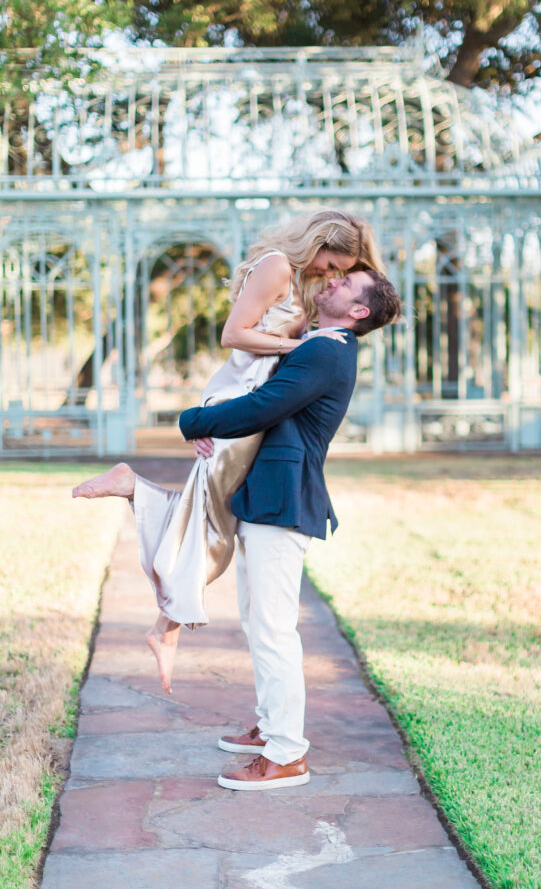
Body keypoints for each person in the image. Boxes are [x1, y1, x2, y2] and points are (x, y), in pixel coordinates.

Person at [72, 210, 385, 693]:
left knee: (212, 516)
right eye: (331, 265)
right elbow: (233, 336)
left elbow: (337, 317)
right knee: (213, 527)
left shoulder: (298, 280)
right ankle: (165, 624)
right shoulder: (279, 265)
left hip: (249, 397)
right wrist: (298, 349)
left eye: (340, 274)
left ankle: (163, 615)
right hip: (243, 394)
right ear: (318, 243)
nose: (330, 276)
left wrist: (306, 343)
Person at [179, 268, 402, 790]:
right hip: (267, 495)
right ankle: (270, 726)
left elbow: (264, 407)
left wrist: (194, 421)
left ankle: (286, 754)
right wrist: (215, 421)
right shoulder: (310, 342)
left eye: (347, 282)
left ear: (359, 311)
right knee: (260, 623)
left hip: (285, 499)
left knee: (275, 628)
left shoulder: (328, 351)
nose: (333, 281)